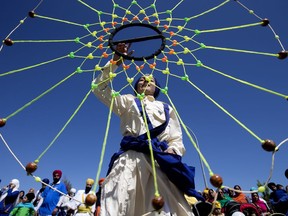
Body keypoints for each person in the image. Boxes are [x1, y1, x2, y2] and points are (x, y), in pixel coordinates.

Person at [92, 43, 203, 215]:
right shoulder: (127, 101)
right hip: (129, 158)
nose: (145, 80)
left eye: (150, 79)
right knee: (118, 201)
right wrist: (116, 62)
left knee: (164, 207)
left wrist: (174, 150)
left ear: (157, 87)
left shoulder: (166, 108)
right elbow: (99, 88)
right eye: (142, 79)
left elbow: (176, 137)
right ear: (136, 86)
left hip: (159, 159)